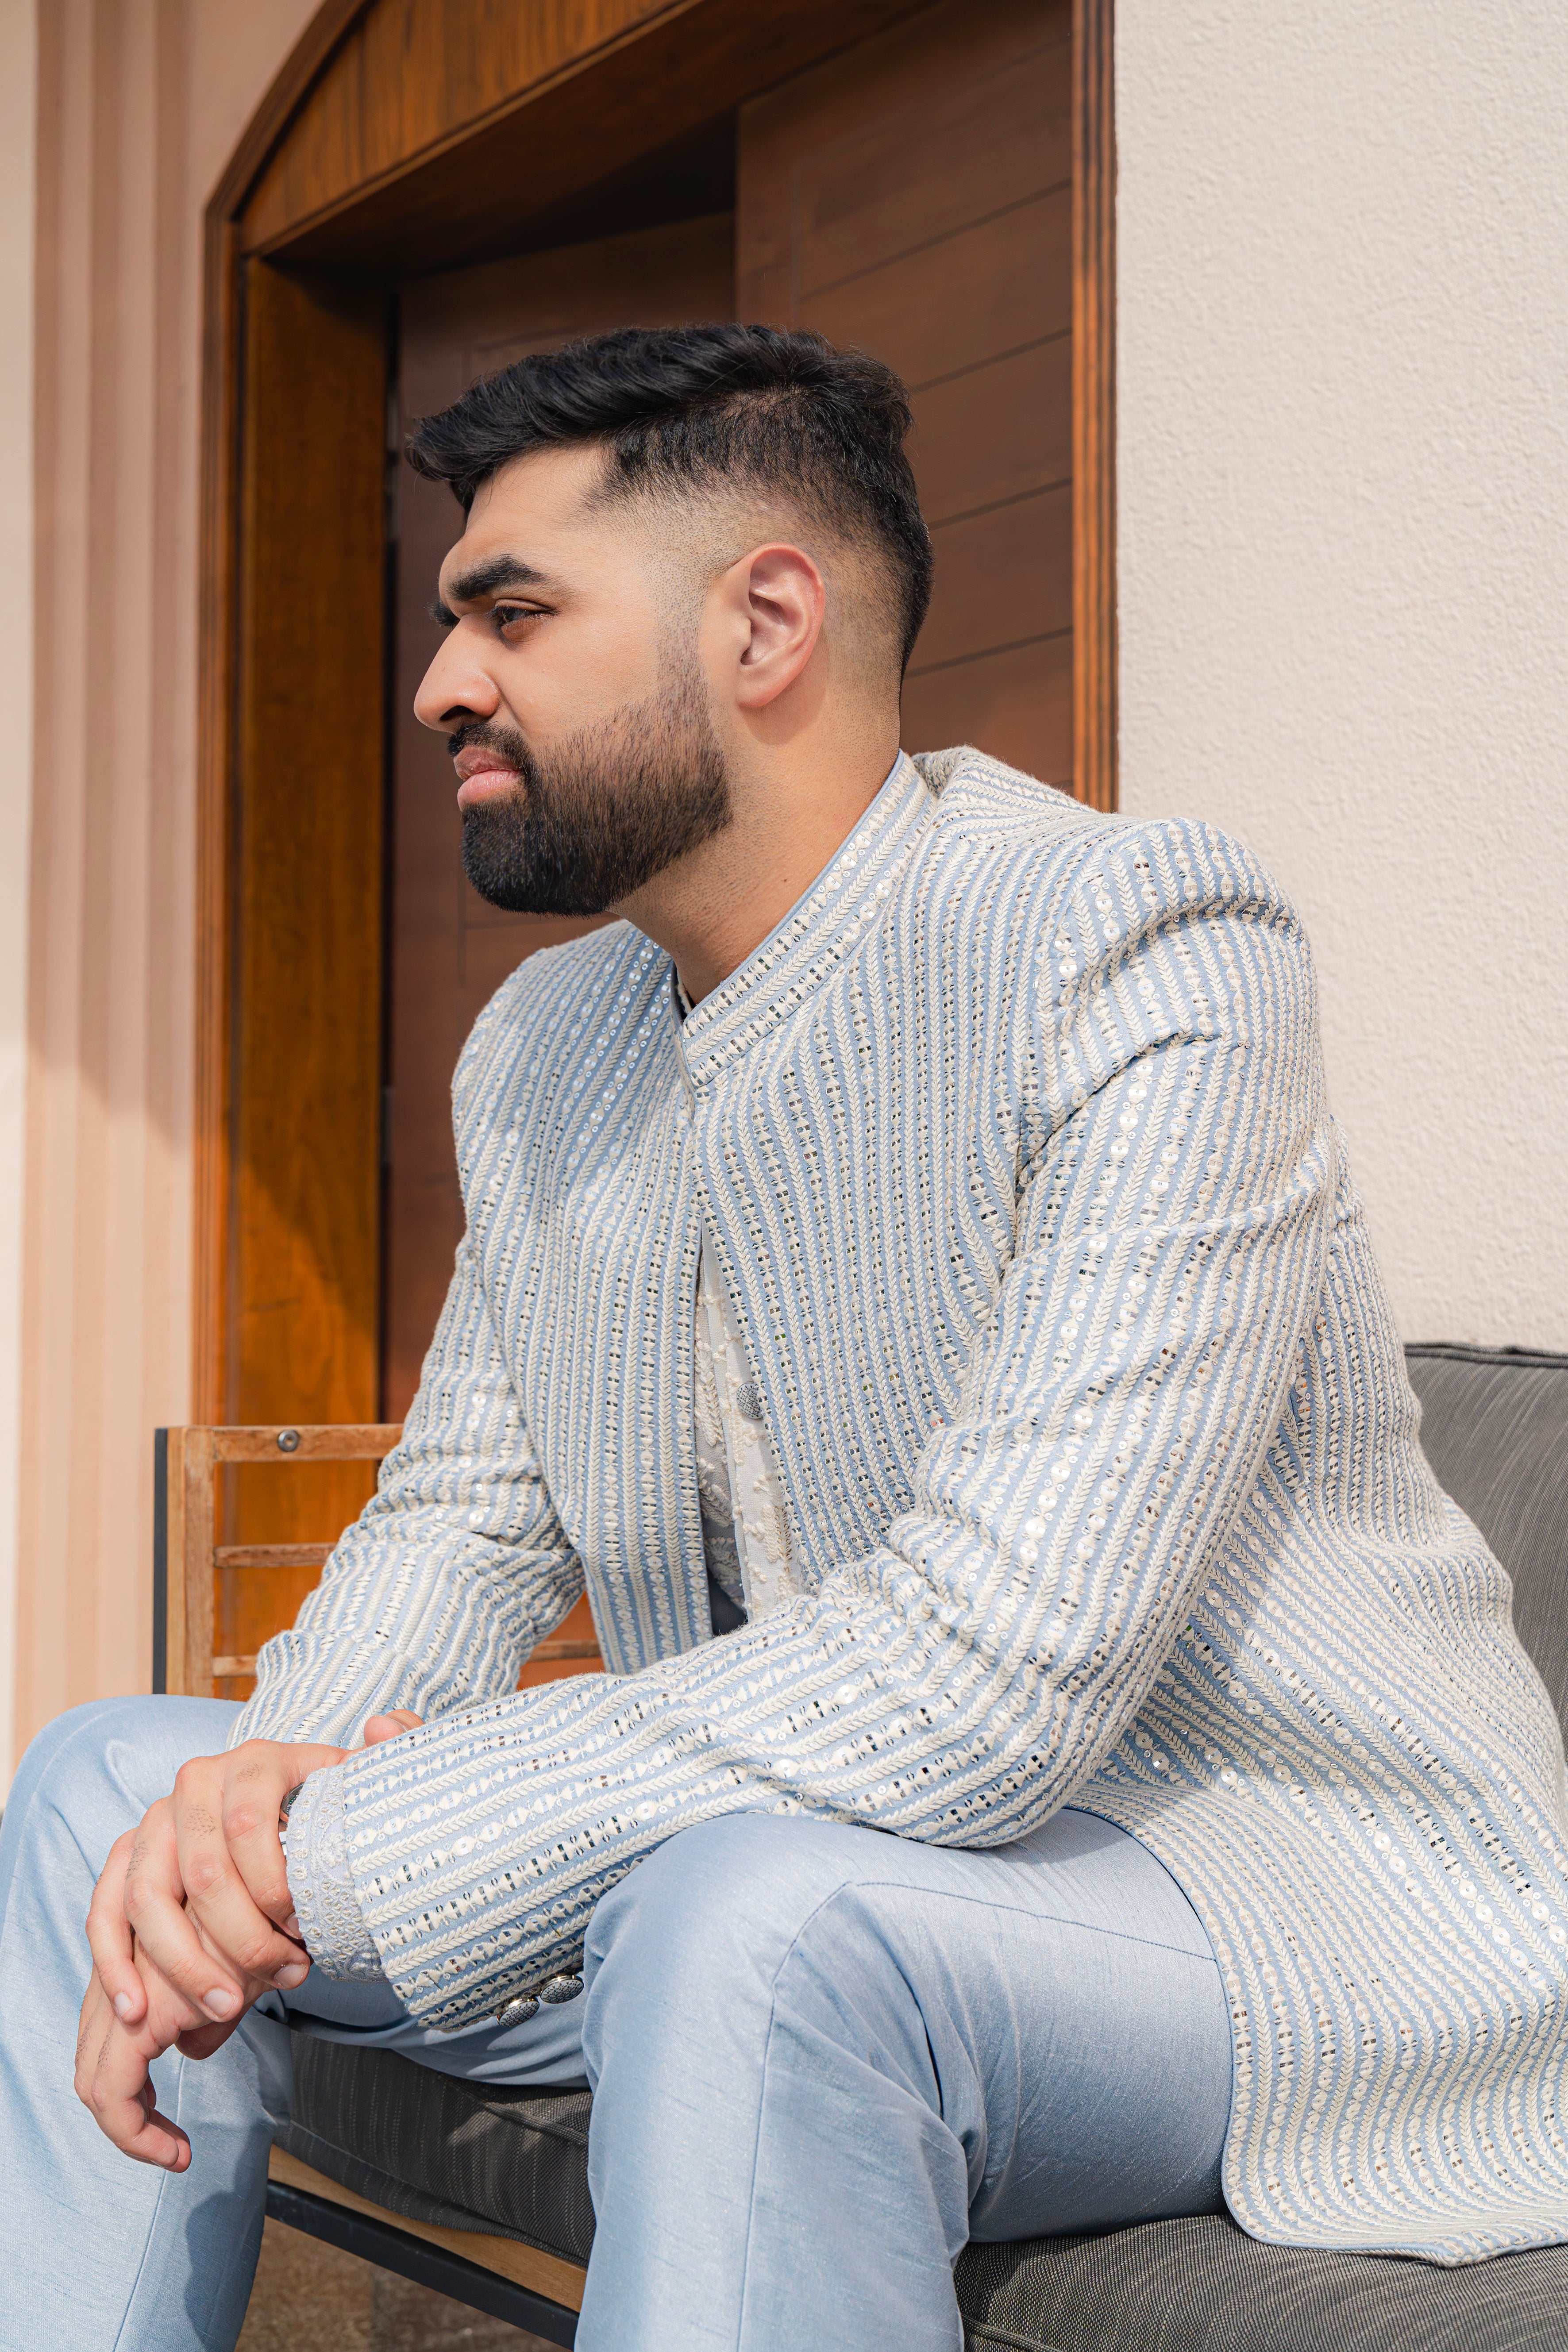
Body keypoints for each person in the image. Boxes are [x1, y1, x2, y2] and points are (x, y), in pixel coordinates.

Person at [3, 324, 1566, 2352]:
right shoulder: (549, 1042)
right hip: (739, 1853)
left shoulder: (1143, 944)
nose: (439, 683)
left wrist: (371, 1842)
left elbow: (994, 1668)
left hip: (1271, 1903)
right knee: (101, 1793)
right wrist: (259, 1807)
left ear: (763, 620)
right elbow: (465, 1523)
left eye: (511, 613)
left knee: (757, 1920)